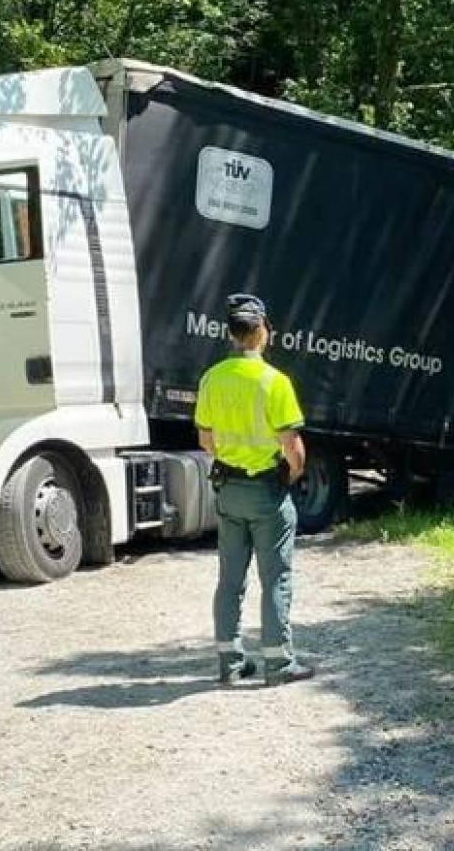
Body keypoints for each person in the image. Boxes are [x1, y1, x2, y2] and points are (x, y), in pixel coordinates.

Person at [194, 293, 314, 687]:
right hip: (266, 492)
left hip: (229, 490)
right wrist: (292, 473)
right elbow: (293, 447)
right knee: (275, 577)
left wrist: (231, 458)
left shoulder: (212, 378)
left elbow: (206, 440)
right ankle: (278, 664)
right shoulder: (274, 381)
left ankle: (230, 663)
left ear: (231, 333)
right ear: (262, 331)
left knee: (230, 579)